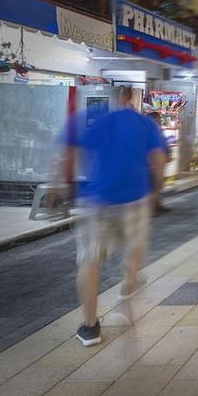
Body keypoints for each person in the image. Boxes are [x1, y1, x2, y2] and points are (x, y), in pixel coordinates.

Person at [65, 87, 166, 346]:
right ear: (132, 98)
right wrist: (156, 192)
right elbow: (157, 160)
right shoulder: (146, 124)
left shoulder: (94, 120)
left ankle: (90, 327)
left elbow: (72, 153)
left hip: (97, 199)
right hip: (135, 199)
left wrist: (66, 187)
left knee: (89, 261)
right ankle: (126, 289)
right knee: (134, 253)